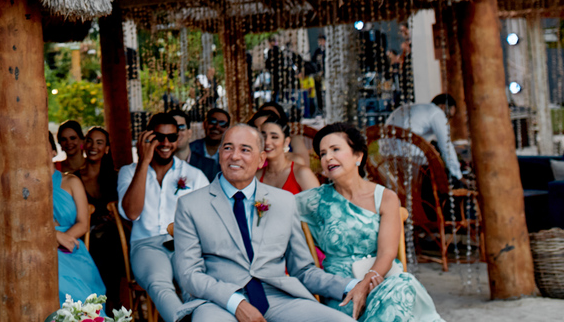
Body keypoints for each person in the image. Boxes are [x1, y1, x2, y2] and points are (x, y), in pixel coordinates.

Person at [172, 124, 369, 322]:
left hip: (278, 298)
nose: (235, 156)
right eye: (228, 148)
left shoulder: (283, 201)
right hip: (218, 302)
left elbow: (303, 270)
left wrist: (352, 285)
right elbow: (189, 274)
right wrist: (235, 302)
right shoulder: (190, 204)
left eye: (245, 150)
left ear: (261, 159)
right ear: (220, 154)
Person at [300, 124, 444, 320]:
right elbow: (271, 204)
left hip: (381, 280)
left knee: (401, 286)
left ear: (358, 156)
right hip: (343, 291)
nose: (328, 158)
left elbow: (387, 253)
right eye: (323, 153)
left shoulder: (385, 198)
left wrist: (365, 285)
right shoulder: (314, 200)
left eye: (335, 149)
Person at [118, 113, 210, 322]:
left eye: (172, 137)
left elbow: (207, 219)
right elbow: (132, 213)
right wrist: (143, 162)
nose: (166, 143)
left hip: (183, 244)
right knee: (159, 283)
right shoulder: (129, 172)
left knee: (193, 284)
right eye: (159, 137)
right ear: (147, 137)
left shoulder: (194, 175)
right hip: (146, 244)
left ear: (178, 139)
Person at [51, 134, 106, 306]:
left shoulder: (71, 181)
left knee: (85, 292)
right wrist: (52, 237)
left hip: (70, 244)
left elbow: (83, 223)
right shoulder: (24, 186)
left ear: (53, 151)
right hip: (40, 246)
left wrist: (62, 239)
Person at [77, 126, 122, 301]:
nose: (93, 146)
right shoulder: (74, 178)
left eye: (99, 142)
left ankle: (111, 305)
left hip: (114, 241)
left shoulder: (116, 178)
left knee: (111, 244)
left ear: (107, 149)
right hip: (86, 239)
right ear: (84, 145)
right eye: (89, 141)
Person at [383, 94, 462, 183]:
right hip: (409, 160)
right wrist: (458, 176)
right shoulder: (437, 112)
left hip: (387, 160)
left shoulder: (414, 108)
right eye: (449, 116)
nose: (447, 120)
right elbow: (446, 146)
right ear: (443, 107)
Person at [253, 111, 319, 194]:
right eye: (263, 136)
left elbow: (318, 202)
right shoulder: (257, 176)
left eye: (274, 137)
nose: (267, 142)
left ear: (286, 142)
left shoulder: (301, 173)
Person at [180, 108, 219, 182]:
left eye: (222, 123)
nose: (217, 126)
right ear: (204, 124)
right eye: (212, 121)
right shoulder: (192, 148)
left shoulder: (231, 152)